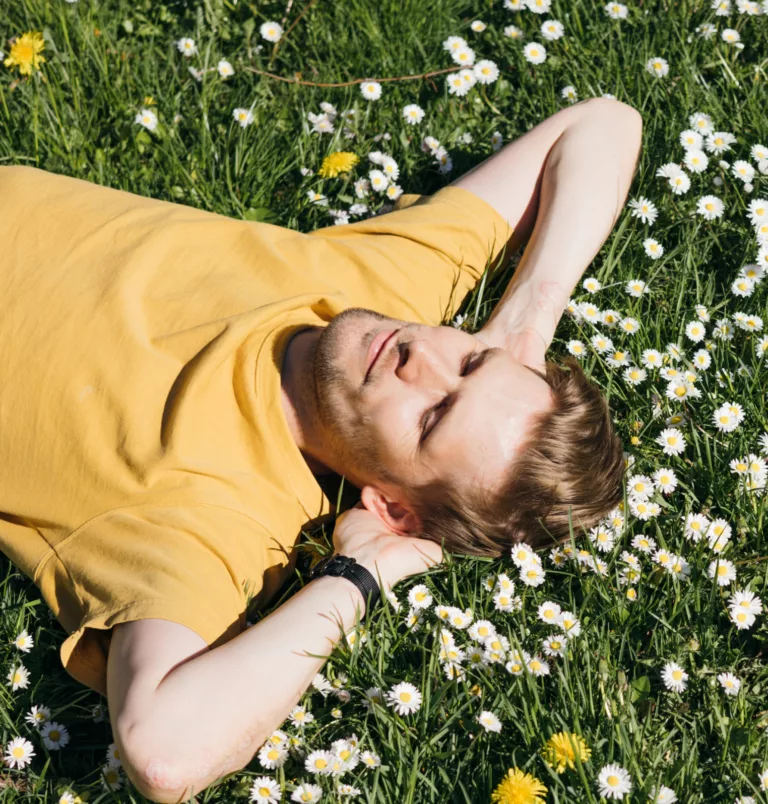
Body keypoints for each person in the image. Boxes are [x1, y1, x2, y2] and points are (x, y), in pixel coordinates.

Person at [0, 97, 641, 801]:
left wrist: (356, 575)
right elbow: (606, 123)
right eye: (468, 364)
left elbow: (164, 756)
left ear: (393, 508)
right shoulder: (382, 292)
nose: (418, 359)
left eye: (431, 419)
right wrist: (523, 324)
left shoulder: (211, 521)